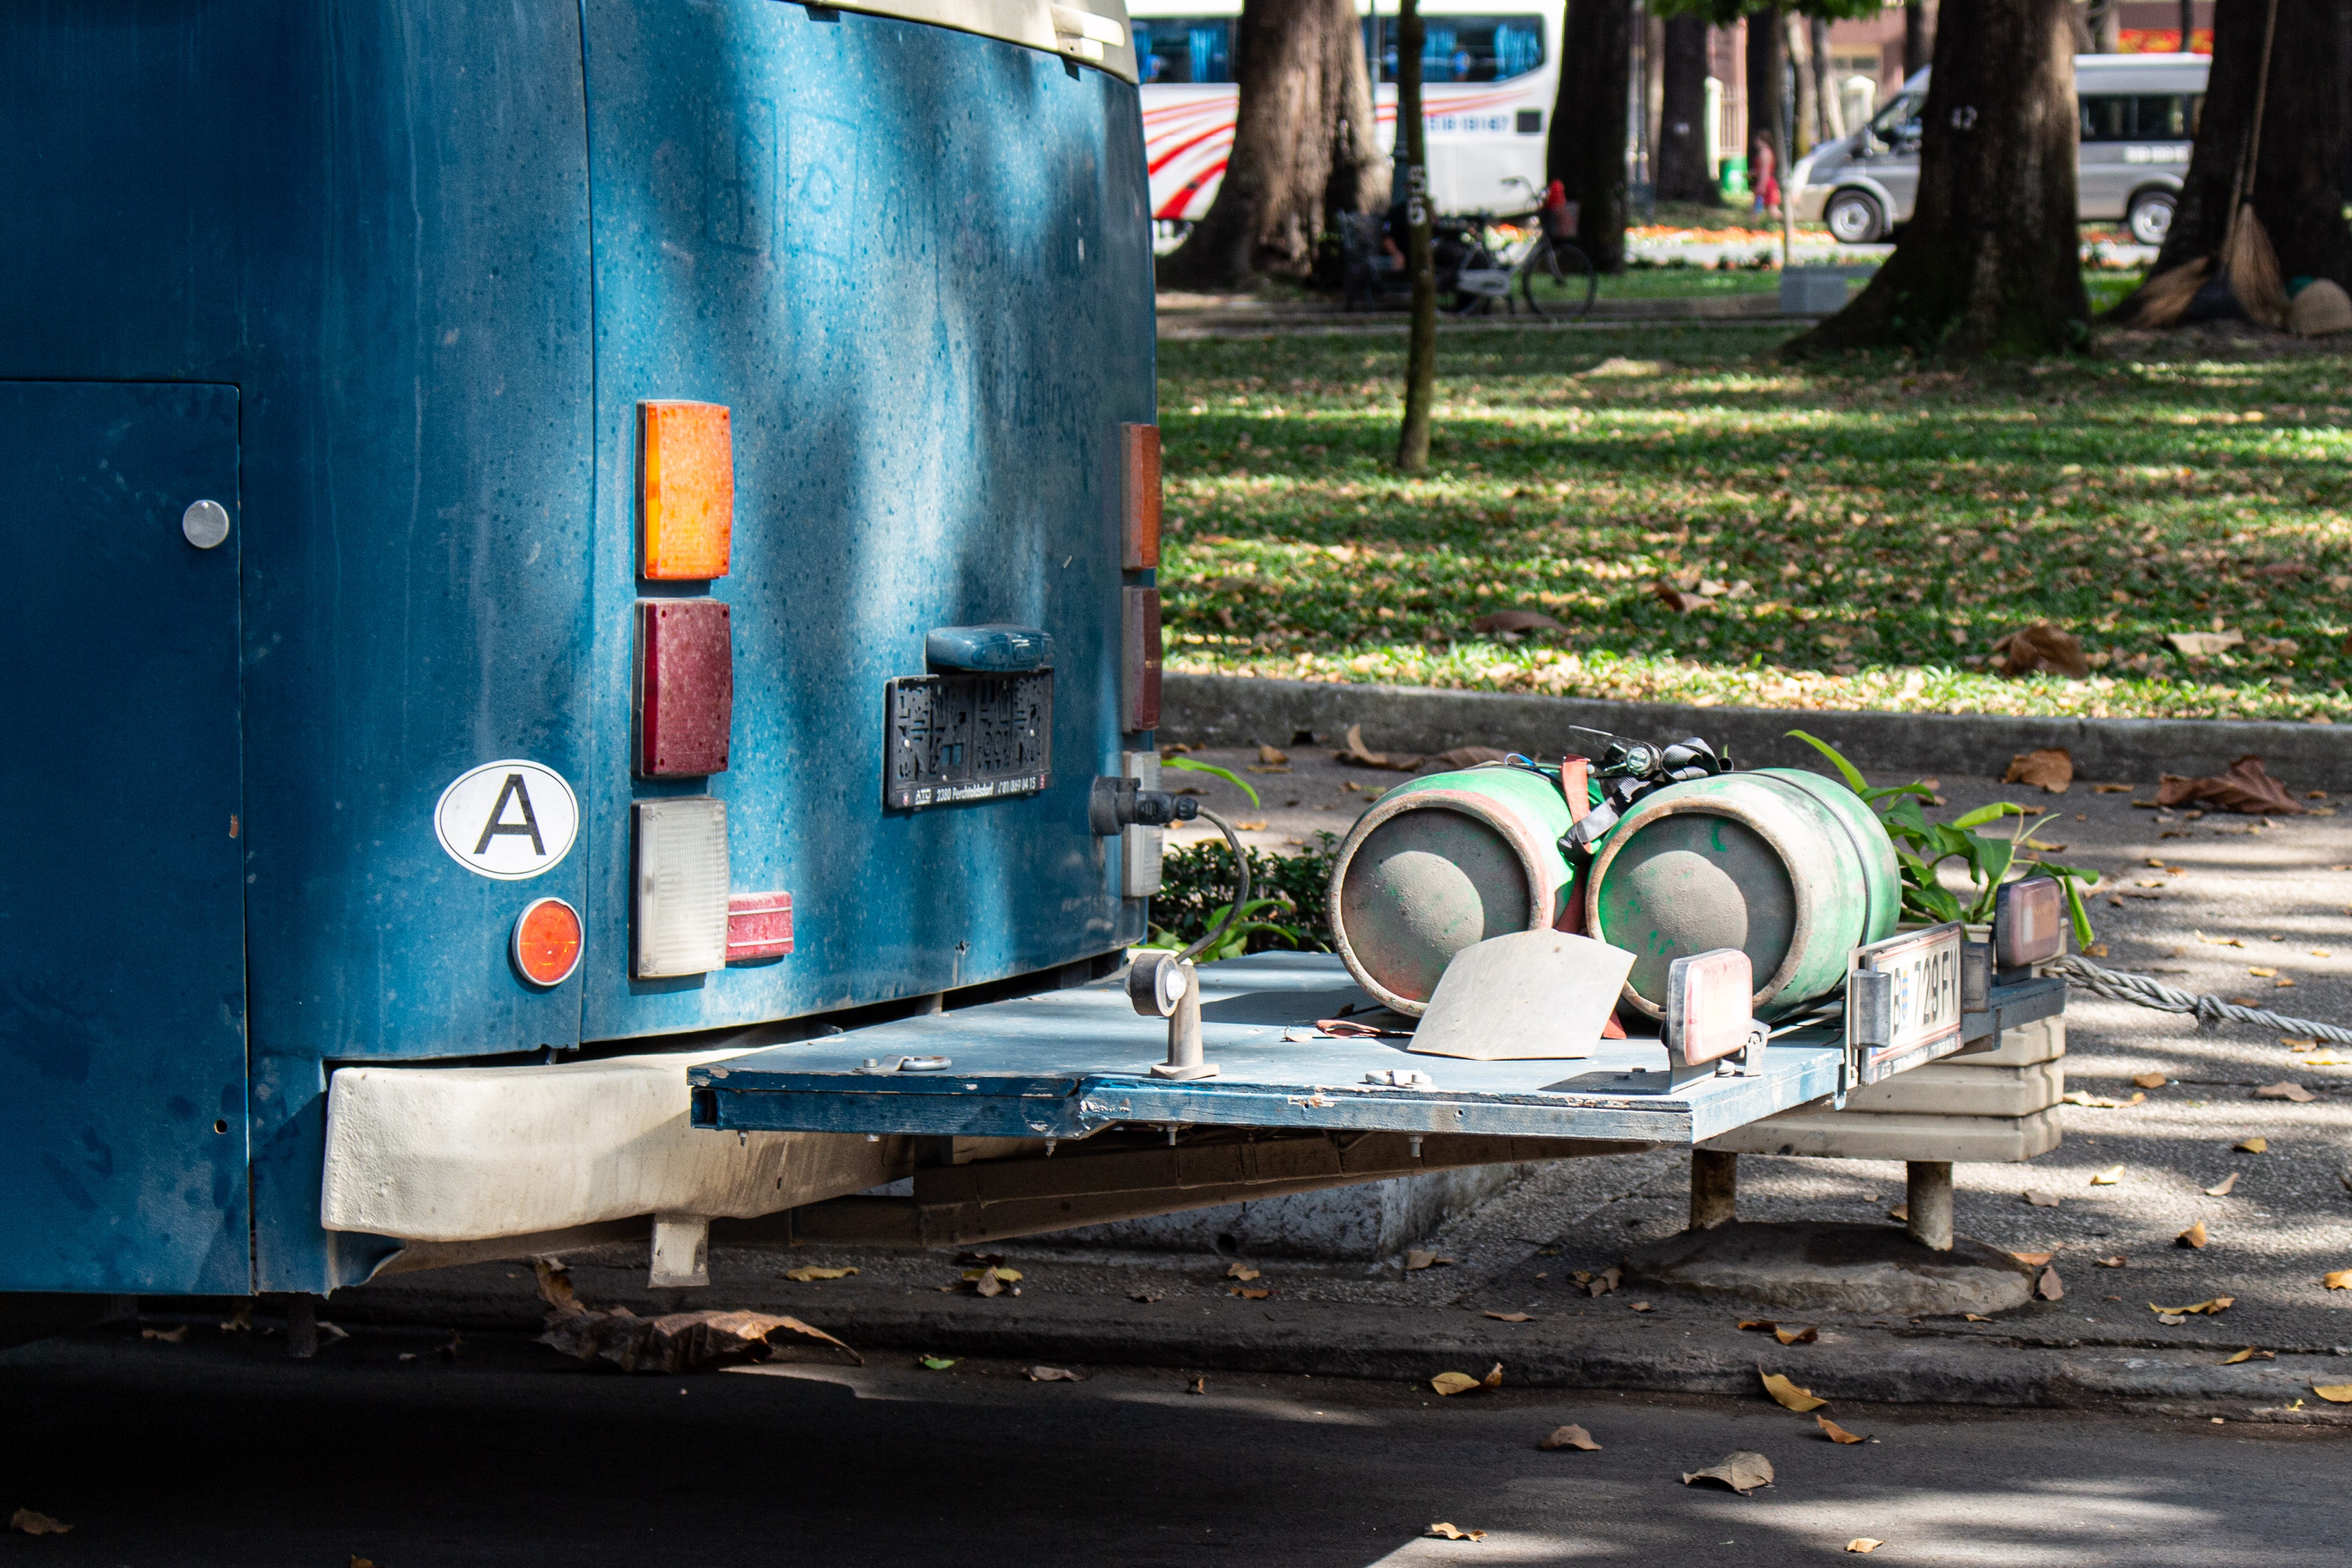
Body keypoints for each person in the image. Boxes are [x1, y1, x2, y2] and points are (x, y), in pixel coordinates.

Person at [1750, 138, 1780, 217]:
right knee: (1759, 208)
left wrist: (1761, 186)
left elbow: (1765, 171)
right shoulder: (1765, 152)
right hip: (1765, 181)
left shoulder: (1765, 153)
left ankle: (1787, 224)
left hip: (1766, 183)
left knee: (1771, 209)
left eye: (1758, 140)